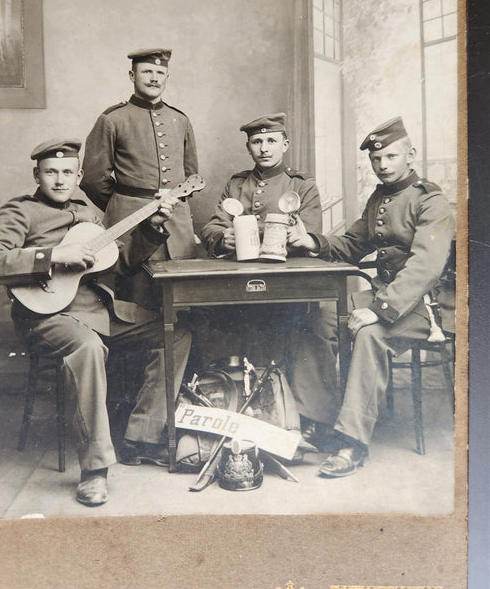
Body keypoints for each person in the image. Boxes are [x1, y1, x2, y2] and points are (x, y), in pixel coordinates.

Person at [0, 139, 191, 507]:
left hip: (98, 311)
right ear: (37, 175)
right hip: (47, 317)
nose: (59, 180)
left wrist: (153, 227)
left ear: (79, 175)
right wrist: (53, 256)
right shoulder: (20, 211)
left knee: (174, 332)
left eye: (67, 172)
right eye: (50, 172)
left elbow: (119, 262)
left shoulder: (89, 212)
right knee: (87, 347)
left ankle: (142, 437)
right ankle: (95, 470)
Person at [305, 116, 455, 477]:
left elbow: (425, 267)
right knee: (319, 314)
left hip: (427, 307)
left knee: (371, 334)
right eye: (376, 159)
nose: (383, 165)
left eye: (390, 156)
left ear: (410, 155)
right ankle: (319, 418)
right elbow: (351, 245)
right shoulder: (379, 199)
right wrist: (310, 242)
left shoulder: (431, 200)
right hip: (386, 297)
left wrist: (379, 309)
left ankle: (351, 443)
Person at [201, 113, 339, 451]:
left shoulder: (301, 186)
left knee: (311, 327)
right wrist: (222, 240)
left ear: (285, 145)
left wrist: (285, 233)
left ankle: (310, 420)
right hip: (242, 281)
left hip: (289, 282)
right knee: (215, 323)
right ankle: (241, 414)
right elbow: (212, 226)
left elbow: (308, 233)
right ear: (249, 146)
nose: (264, 148)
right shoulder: (236, 185)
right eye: (257, 142)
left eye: (271, 141)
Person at [81, 48, 198, 304]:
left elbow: (191, 176)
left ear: (167, 77)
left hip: (177, 226)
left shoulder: (180, 120)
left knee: (182, 302)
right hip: (130, 224)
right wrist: (123, 206)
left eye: (160, 73)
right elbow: (92, 178)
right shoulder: (113, 119)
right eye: (147, 72)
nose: (154, 78)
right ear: (132, 75)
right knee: (135, 299)